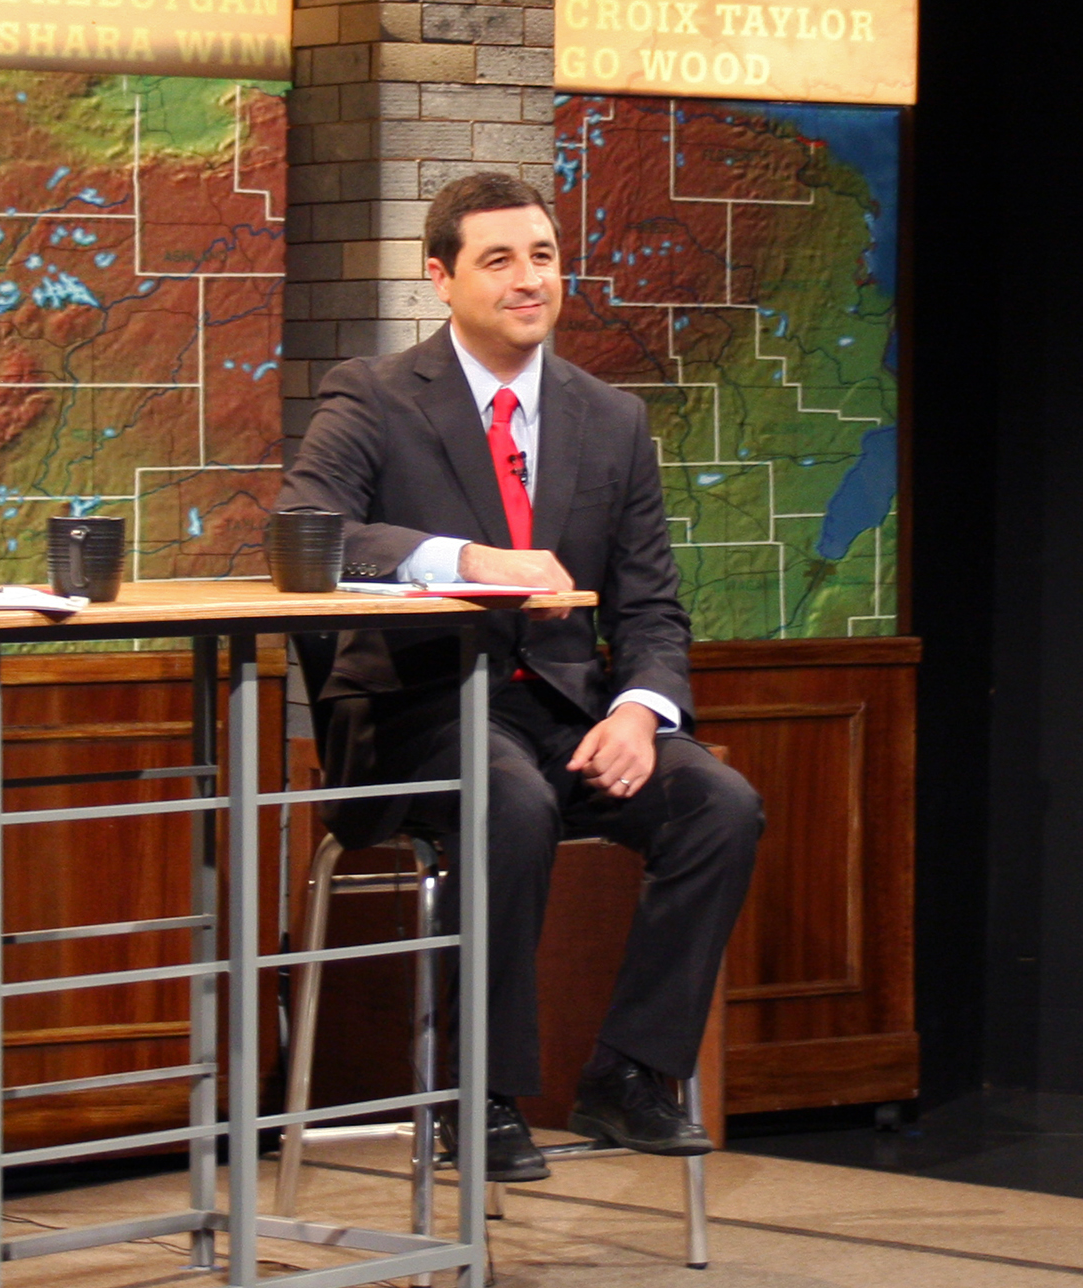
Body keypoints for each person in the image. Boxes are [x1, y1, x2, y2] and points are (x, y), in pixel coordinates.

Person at [277, 172, 763, 1182]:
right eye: (497, 259)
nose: (526, 277)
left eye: (540, 255)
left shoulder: (611, 419)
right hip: (417, 712)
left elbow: (649, 608)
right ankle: (479, 1095)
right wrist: (463, 560)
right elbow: (303, 533)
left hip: (564, 711)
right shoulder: (370, 395)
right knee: (508, 800)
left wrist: (638, 709)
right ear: (439, 277)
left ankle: (628, 1073)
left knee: (717, 802)